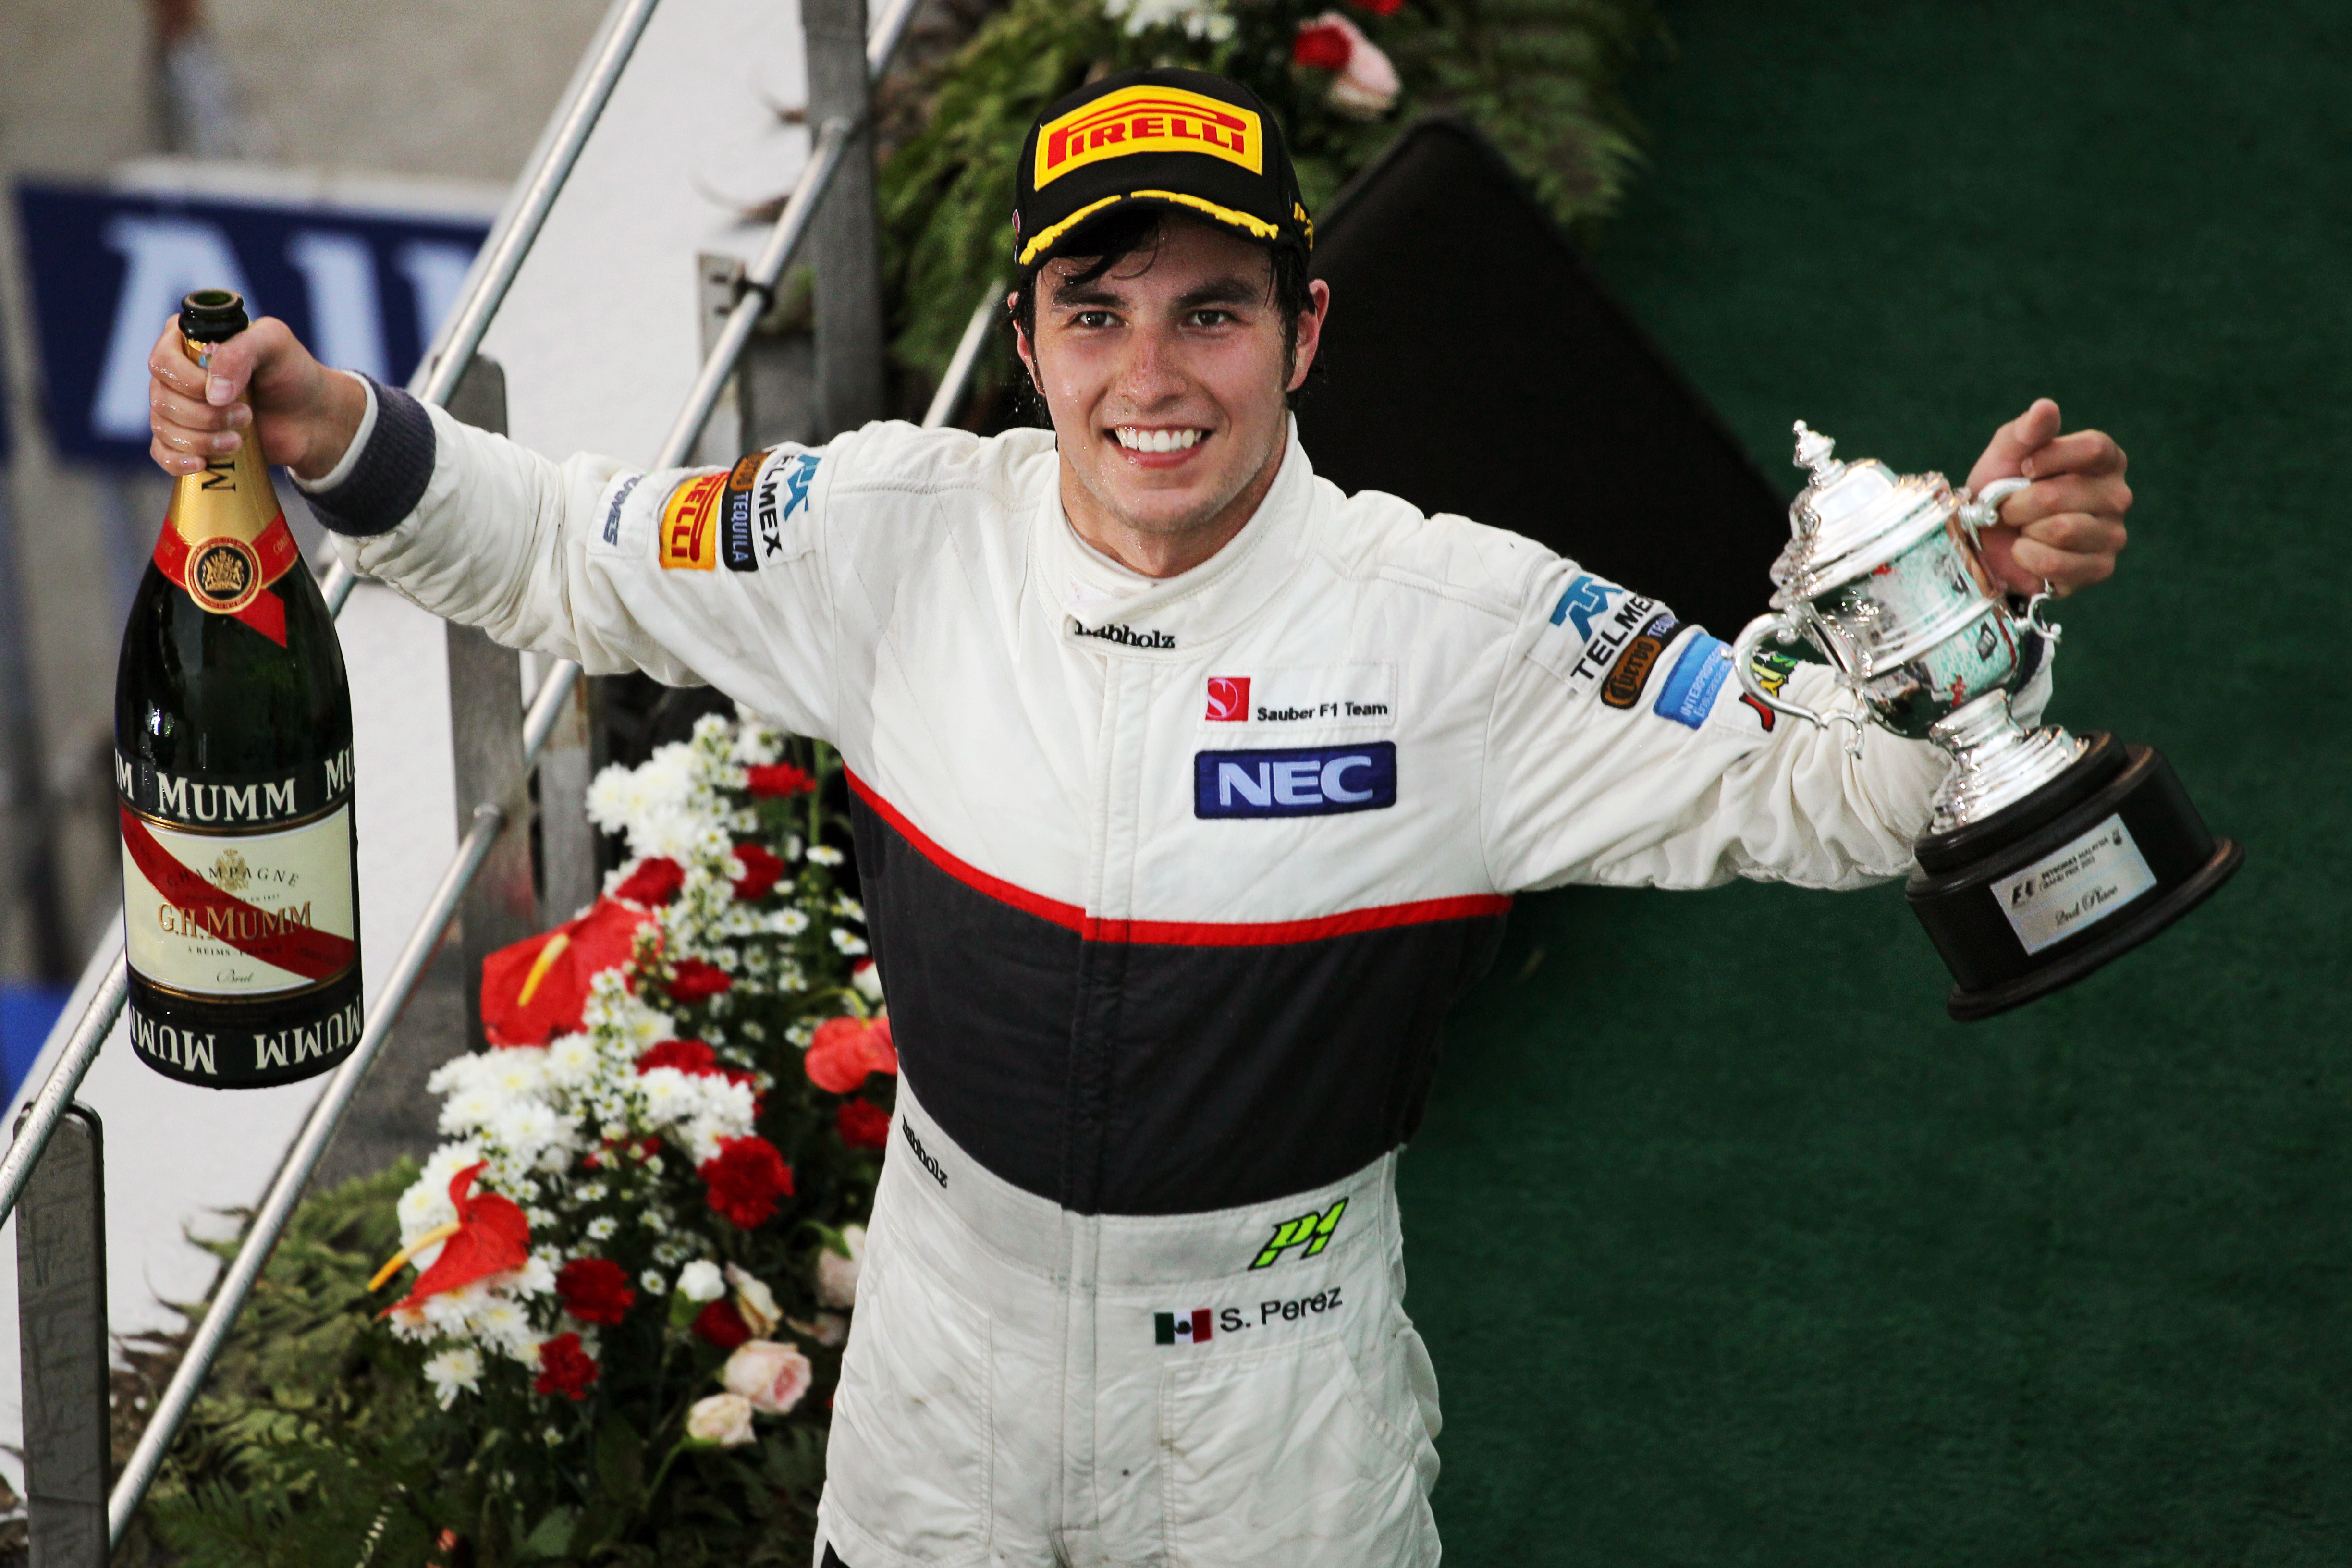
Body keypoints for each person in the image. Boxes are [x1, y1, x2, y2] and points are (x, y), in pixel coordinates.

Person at [146, 67, 2129, 1568]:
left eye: (1212, 311)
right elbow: (568, 549)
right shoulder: (875, 533)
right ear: (1025, 348)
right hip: (938, 1389)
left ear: (1310, 335)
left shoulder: (1472, 626)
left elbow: (1838, 796)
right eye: (1096, 313)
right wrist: (335, 427)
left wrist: (1974, 620)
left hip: (1281, 1427)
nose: (1150, 375)